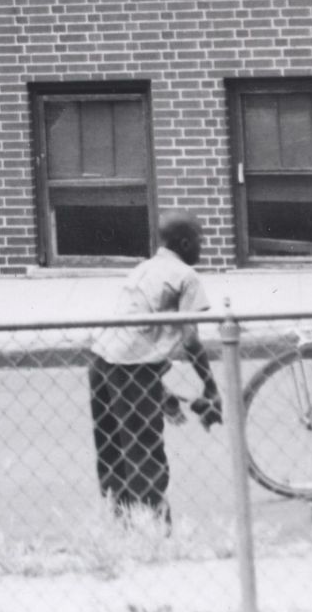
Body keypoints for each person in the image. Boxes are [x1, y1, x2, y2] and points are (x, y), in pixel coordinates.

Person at [87, 214, 222, 523]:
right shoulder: (186, 276)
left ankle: (118, 521)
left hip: (101, 361)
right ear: (185, 243)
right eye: (201, 241)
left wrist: (157, 388)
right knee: (144, 451)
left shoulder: (144, 268)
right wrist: (210, 386)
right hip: (132, 367)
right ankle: (155, 529)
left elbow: (134, 336)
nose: (203, 247)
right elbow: (189, 337)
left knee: (113, 450)